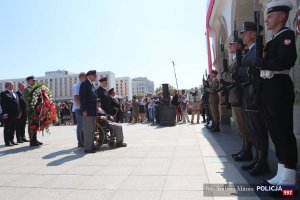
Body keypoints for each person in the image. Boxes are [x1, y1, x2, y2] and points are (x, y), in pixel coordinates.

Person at [261, 0, 298, 192]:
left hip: (280, 86)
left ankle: (289, 177)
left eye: (270, 15)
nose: (266, 19)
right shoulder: (274, 38)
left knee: (283, 131)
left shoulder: (287, 35)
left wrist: (262, 63)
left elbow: (286, 60)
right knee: (275, 131)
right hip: (270, 87)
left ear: (282, 16)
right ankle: (281, 172)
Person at [221, 39, 254, 165]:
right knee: (240, 125)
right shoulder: (234, 60)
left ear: (239, 46)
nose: (229, 46)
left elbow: (235, 76)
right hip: (234, 96)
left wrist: (225, 76)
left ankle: (248, 150)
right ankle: (244, 148)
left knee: (243, 124)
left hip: (240, 95)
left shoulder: (242, 57)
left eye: (232, 44)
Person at [79, 70, 98, 153]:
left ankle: (91, 145)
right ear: (89, 76)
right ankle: (87, 147)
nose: (95, 77)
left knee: (92, 129)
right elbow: (82, 98)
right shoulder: (84, 84)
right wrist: (84, 110)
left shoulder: (91, 85)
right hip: (87, 111)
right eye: (94, 75)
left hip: (93, 111)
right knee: (87, 130)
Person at [24, 76, 43, 146]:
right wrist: (32, 106)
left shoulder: (37, 89)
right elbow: (26, 100)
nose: (34, 81)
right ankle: (32, 140)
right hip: (31, 110)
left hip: (37, 109)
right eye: (33, 80)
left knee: (36, 124)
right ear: (28, 81)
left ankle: (35, 138)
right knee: (31, 124)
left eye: (35, 80)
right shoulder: (27, 89)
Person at [1, 82, 21, 146]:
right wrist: (4, 113)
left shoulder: (15, 93)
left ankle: (11, 140)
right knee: (7, 128)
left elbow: (18, 104)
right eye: (11, 85)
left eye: (13, 85)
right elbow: (3, 104)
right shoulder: (3, 93)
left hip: (15, 114)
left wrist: (19, 112)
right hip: (8, 114)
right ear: (7, 86)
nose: (13, 86)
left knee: (13, 127)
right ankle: (7, 142)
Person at [72, 72, 86, 147]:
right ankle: (80, 141)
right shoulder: (77, 85)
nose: (86, 78)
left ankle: (82, 140)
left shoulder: (82, 85)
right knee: (80, 125)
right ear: (81, 77)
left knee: (83, 125)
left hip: (80, 108)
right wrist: (82, 107)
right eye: (85, 77)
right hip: (78, 108)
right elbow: (76, 97)